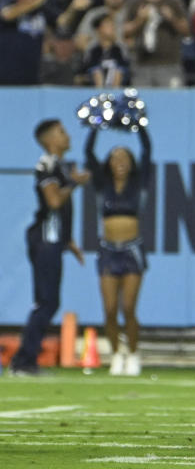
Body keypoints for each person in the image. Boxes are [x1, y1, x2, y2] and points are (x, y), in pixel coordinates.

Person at [10, 120, 90, 375]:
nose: (68, 136)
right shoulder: (47, 165)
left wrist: (69, 241)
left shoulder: (57, 166)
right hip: (45, 241)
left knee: (48, 302)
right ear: (50, 139)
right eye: (62, 132)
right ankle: (23, 361)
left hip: (53, 240)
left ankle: (25, 360)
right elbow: (54, 201)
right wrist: (74, 183)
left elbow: (58, 211)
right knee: (46, 302)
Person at [84, 122, 151, 376]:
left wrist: (139, 125)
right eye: (114, 157)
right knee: (110, 309)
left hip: (132, 250)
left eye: (124, 157)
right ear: (108, 164)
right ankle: (116, 354)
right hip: (108, 250)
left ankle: (133, 353)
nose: (119, 160)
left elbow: (147, 150)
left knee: (128, 309)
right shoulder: (103, 186)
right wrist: (95, 125)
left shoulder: (139, 184)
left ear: (131, 163)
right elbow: (88, 154)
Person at [123, 0, 190, 87]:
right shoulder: (134, 2)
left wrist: (172, 18)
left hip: (169, 64)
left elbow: (186, 30)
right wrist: (139, 20)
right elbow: (125, 32)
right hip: (141, 64)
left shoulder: (173, 1)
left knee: (172, 102)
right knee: (142, 104)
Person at [81, 12, 129, 86]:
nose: (112, 27)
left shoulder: (119, 49)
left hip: (117, 92)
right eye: (107, 25)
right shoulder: (93, 51)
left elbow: (121, 71)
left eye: (112, 25)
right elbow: (92, 72)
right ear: (98, 29)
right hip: (95, 92)